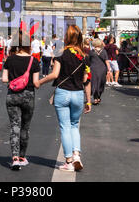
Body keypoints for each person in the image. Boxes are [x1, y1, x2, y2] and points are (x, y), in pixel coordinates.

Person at [39, 25, 92, 172]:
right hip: (78, 94)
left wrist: (39, 82)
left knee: (65, 127)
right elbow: (86, 79)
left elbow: (55, 75)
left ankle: (68, 161)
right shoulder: (85, 57)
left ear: (66, 38)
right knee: (74, 125)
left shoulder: (60, 54)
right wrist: (88, 100)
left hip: (63, 93)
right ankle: (76, 155)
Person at [2, 29, 40, 170]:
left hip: (12, 95)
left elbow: (4, 79)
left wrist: (14, 81)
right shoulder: (34, 61)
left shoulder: (10, 59)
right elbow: (36, 83)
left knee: (14, 126)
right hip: (28, 96)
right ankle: (23, 156)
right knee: (25, 127)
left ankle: (15, 158)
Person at [89, 39, 111, 105]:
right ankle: (98, 97)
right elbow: (107, 61)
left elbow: (88, 61)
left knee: (94, 83)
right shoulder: (104, 52)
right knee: (101, 83)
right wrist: (109, 70)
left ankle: (96, 98)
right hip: (102, 69)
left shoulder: (91, 52)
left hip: (93, 69)